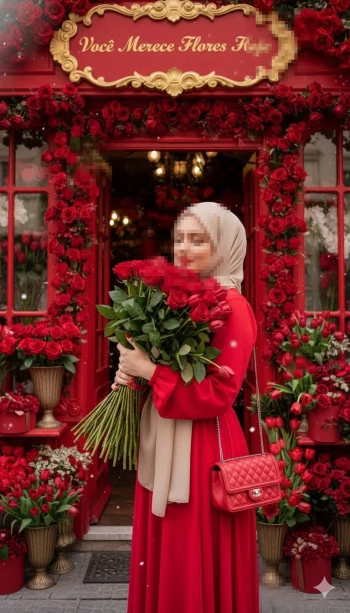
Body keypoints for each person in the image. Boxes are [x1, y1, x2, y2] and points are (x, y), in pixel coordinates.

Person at [112, 202, 259, 613]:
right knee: (170, 543)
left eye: (198, 240)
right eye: (179, 238)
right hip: (166, 437)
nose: (183, 248)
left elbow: (219, 393)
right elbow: (162, 367)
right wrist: (132, 374)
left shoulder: (233, 307)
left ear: (224, 246)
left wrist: (152, 371)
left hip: (203, 447)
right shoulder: (172, 300)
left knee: (189, 546)